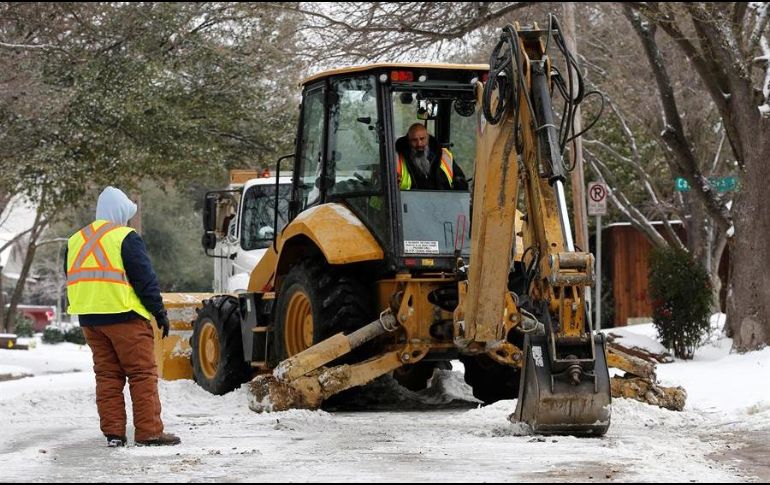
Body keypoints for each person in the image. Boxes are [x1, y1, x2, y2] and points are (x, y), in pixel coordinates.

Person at [65, 186, 180, 448]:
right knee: (141, 374)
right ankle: (149, 432)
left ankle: (114, 434)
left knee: (107, 375)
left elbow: (71, 276)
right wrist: (158, 311)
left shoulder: (75, 240)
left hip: (90, 320)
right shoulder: (125, 237)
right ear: (119, 212)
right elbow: (144, 278)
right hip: (125, 317)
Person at [395, 123, 469, 190]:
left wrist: (459, 184)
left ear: (428, 138)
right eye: (414, 140)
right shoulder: (397, 159)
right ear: (408, 141)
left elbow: (460, 180)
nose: (419, 144)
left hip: (444, 199)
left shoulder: (445, 155)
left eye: (422, 139)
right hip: (408, 200)